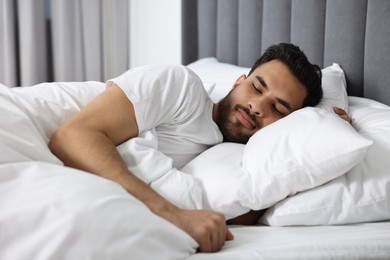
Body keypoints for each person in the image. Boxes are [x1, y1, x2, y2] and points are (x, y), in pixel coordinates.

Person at [48, 43, 350, 253]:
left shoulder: (236, 161)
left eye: (278, 109)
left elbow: (244, 212)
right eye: (257, 87)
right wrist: (173, 215)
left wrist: (326, 127)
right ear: (238, 80)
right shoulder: (182, 87)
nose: (257, 106)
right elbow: (72, 136)